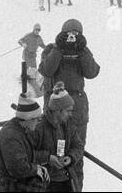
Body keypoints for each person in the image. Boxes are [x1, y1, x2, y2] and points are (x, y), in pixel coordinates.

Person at [39, 19, 100, 181]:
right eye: (69, 34)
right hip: (55, 112)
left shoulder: (82, 51)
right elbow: (47, 70)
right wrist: (59, 48)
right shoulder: (52, 49)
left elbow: (92, 72)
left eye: (76, 35)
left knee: (75, 157)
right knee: (51, 154)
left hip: (77, 112)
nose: (72, 38)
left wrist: (82, 50)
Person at [0, 94, 50, 192]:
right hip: (11, 186)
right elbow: (17, 168)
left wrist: (43, 162)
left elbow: (26, 155)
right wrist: (36, 169)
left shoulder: (21, 130)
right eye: (37, 119)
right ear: (29, 119)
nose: (38, 123)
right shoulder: (11, 136)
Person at [36, 84, 82, 192]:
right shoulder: (38, 126)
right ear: (58, 110)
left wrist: (70, 157)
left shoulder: (68, 125)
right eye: (68, 111)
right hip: (44, 182)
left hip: (66, 178)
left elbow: (78, 146)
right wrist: (48, 158)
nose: (70, 114)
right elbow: (28, 153)